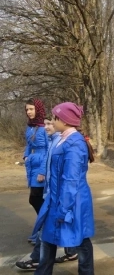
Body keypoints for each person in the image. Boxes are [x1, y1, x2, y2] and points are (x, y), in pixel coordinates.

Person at [32, 102, 95, 274]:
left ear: (65, 121)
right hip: (56, 199)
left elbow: (71, 180)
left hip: (72, 202)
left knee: (80, 240)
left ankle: (87, 272)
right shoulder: (63, 139)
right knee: (47, 239)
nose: (52, 122)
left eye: (55, 118)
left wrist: (64, 207)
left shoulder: (74, 144)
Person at [15, 115, 78, 271]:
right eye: (46, 124)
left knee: (48, 228)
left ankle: (37, 259)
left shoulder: (63, 142)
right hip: (53, 194)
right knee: (57, 227)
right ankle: (71, 252)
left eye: (51, 123)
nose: (48, 127)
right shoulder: (54, 141)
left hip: (58, 196)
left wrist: (60, 196)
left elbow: (68, 174)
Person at [23, 99, 48, 243]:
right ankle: (42, 228)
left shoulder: (44, 127)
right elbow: (28, 144)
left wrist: (43, 171)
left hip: (41, 165)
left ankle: (44, 228)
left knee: (35, 198)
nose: (29, 112)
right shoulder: (30, 127)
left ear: (38, 109)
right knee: (36, 198)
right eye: (27, 109)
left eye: (31, 109)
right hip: (32, 164)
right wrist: (26, 155)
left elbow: (48, 150)